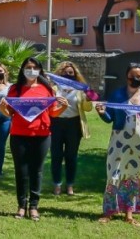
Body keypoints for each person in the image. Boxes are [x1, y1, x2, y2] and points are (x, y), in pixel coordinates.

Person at [0, 57, 68, 222]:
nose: (31, 70)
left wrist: (63, 107)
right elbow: (10, 113)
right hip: (18, 135)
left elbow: (52, 113)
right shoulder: (15, 89)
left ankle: (34, 207)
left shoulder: (47, 89)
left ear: (40, 70)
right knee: (21, 172)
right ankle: (21, 205)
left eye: (34, 67)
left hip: (42, 136)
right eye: (28, 67)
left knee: (36, 172)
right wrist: (2, 108)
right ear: (23, 69)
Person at [96, 63, 140, 226]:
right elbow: (109, 118)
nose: (135, 78)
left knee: (135, 176)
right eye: (132, 75)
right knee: (114, 174)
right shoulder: (117, 95)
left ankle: (129, 214)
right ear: (127, 76)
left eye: (139, 76)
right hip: (119, 142)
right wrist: (101, 113)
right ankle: (109, 211)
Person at [50, 61, 92, 195]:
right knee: (56, 156)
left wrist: (88, 97)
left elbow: (88, 108)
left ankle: (69, 185)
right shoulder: (53, 88)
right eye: (65, 73)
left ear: (75, 74)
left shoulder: (80, 89)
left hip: (74, 125)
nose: (68, 75)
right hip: (55, 124)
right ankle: (57, 184)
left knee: (71, 156)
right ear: (60, 74)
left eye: (71, 73)